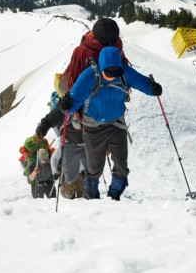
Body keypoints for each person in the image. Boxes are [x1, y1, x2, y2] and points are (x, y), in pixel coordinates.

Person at [59, 46, 162, 201]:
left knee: (121, 166)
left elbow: (143, 84)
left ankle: (114, 197)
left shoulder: (124, 72)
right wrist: (66, 104)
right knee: (94, 168)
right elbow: (75, 99)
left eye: (115, 73)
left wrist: (153, 88)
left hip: (116, 125)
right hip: (93, 128)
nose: (111, 77)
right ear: (101, 66)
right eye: (108, 73)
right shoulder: (89, 76)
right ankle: (92, 199)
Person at [33, 94, 87, 199]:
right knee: (68, 194)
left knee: (83, 196)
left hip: (81, 174)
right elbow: (54, 158)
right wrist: (55, 172)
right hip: (69, 173)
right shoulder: (66, 145)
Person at [57, 17, 129, 94]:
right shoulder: (117, 51)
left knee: (61, 85)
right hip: (114, 93)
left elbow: (74, 75)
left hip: (87, 94)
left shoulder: (81, 51)